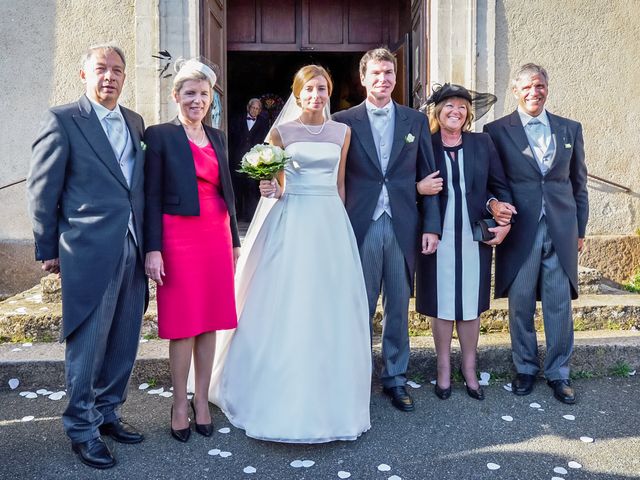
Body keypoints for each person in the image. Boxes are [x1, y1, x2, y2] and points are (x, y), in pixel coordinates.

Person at [213, 65, 371, 443]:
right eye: (310, 89)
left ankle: (331, 394)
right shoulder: (282, 132)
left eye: (322, 89)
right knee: (289, 302)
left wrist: (342, 228)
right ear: (297, 94)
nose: (316, 95)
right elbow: (274, 182)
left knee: (330, 306)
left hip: (330, 222)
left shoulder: (342, 132)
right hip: (293, 218)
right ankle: (278, 388)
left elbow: (339, 184)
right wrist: (269, 186)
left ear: (328, 93)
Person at [27, 44, 146, 469]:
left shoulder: (135, 121)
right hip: (87, 248)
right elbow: (43, 189)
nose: (109, 76)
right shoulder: (62, 119)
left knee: (124, 337)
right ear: (84, 75)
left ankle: (108, 411)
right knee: (89, 342)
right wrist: (48, 249)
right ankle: (81, 427)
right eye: (101, 69)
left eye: (117, 70)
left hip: (133, 243)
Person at [333, 48, 440, 412]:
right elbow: (333, 178)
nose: (383, 80)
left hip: (402, 225)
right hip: (360, 225)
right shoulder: (342, 121)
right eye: (376, 73)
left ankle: (396, 378)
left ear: (396, 77)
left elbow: (430, 178)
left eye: (389, 73)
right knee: (358, 307)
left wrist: (431, 226)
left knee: (398, 306)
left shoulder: (415, 121)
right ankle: (356, 376)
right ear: (363, 78)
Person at [144, 59, 241, 442]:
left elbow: (227, 193)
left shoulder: (217, 137)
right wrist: (153, 249)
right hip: (177, 237)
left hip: (215, 235)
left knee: (211, 321)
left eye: (203, 94)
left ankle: (202, 401)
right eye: (189, 94)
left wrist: (234, 241)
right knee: (183, 325)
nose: (196, 100)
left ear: (210, 99)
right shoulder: (160, 135)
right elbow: (149, 195)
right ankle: (179, 403)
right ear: (176, 96)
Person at [484, 63, 588, 404]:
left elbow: (579, 184)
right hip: (521, 229)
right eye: (527, 86)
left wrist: (581, 229)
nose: (534, 92)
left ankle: (559, 373)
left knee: (559, 304)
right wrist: (494, 210)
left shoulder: (569, 129)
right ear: (515, 90)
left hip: (561, 228)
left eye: (540, 85)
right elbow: (491, 181)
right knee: (521, 303)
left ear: (547, 88)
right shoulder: (496, 130)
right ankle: (525, 368)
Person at [415, 83, 513, 401]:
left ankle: (469, 368)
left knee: (470, 303)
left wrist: (497, 206)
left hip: (472, 235)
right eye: (449, 106)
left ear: (468, 113)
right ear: (438, 112)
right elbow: (408, 187)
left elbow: (497, 186)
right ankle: (443, 368)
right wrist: (418, 188)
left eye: (461, 107)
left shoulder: (481, 143)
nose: (455, 111)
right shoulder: (425, 145)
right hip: (437, 233)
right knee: (442, 302)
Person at [228, 98, 270, 221]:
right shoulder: (237, 119)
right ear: (248, 107)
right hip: (237, 159)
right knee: (237, 188)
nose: (255, 111)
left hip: (254, 161)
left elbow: (264, 141)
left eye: (257, 109)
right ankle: (238, 215)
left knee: (251, 188)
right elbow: (231, 138)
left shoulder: (263, 122)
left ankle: (251, 216)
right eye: (253, 108)